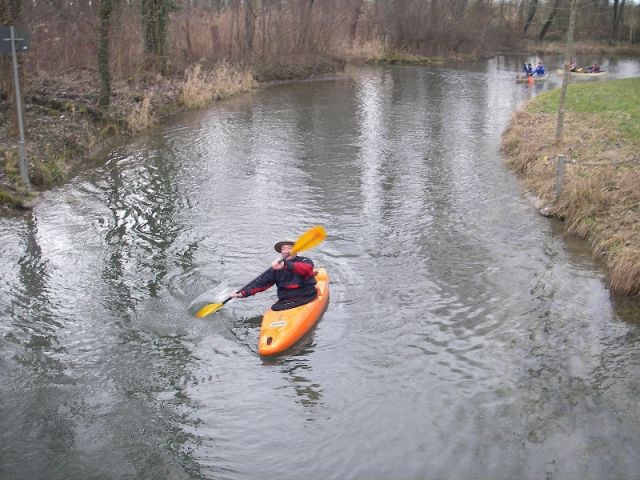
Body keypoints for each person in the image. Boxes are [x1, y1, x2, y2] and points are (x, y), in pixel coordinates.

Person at [231, 240, 318, 311]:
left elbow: (307, 269)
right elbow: (261, 283)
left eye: (290, 248)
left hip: (306, 297)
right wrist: (242, 293)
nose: (286, 251)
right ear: (281, 252)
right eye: (283, 249)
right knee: (275, 308)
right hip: (285, 302)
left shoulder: (305, 261)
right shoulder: (276, 267)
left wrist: (286, 265)